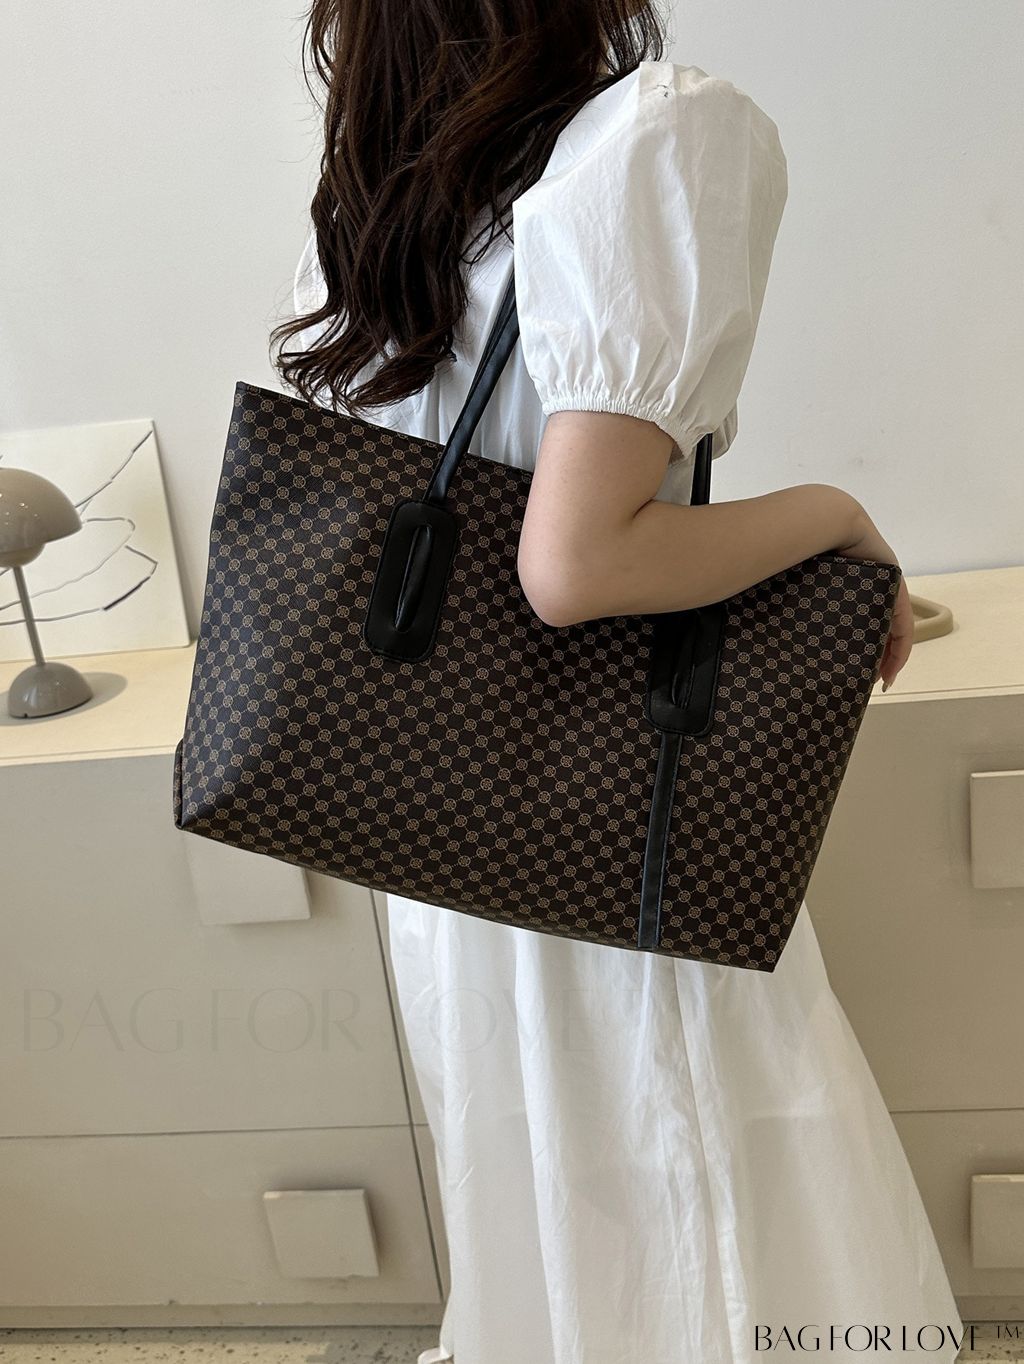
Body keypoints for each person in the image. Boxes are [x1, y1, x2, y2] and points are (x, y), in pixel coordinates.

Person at [275, 3, 963, 1360]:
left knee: (548, 1179)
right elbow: (577, 564)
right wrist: (831, 515)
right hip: (605, 810)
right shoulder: (654, 134)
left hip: (434, 820)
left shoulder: (383, 193)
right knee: (688, 1169)